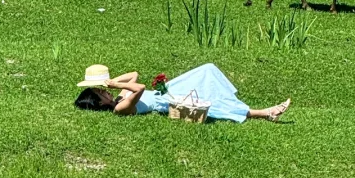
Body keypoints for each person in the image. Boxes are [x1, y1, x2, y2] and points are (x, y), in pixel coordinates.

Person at [74, 64, 290, 121]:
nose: (105, 91)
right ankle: (265, 112)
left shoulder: (120, 96)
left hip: (167, 91)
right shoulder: (120, 108)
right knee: (214, 106)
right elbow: (138, 88)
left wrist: (110, 80)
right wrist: (114, 86)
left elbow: (134, 74)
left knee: (206, 70)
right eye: (101, 92)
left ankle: (237, 99)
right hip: (169, 101)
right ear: (100, 103)